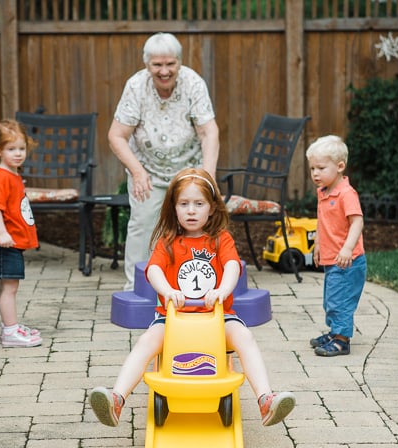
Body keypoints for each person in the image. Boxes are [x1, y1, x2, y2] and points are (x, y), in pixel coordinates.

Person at [89, 169, 296, 427]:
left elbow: (233, 266)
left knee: (245, 337)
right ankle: (116, 399)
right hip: (172, 320)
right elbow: (153, 269)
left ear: (211, 208)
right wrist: (166, 290)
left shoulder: (221, 239)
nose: (191, 210)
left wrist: (222, 289)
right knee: (147, 341)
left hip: (217, 318)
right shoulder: (168, 241)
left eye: (198, 204)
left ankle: (265, 399)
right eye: (184, 204)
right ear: (173, 208)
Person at [108, 32, 220, 291]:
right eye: (157, 65)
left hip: (188, 172)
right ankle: (137, 289)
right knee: (144, 225)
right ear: (147, 65)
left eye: (170, 64)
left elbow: (208, 131)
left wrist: (207, 175)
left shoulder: (193, 83)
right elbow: (116, 135)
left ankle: (194, 287)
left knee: (193, 225)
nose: (164, 71)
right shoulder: (136, 86)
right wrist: (137, 172)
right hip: (146, 171)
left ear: (179, 62)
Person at [306, 135, 367, 356]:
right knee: (331, 299)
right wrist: (318, 244)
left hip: (347, 261)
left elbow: (357, 222)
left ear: (340, 166)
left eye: (321, 168)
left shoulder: (346, 194)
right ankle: (335, 332)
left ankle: (342, 340)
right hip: (332, 258)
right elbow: (322, 220)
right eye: (312, 168)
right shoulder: (323, 192)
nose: (315, 174)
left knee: (340, 301)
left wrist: (347, 249)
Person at [0, 119, 42, 348]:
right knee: (9, 288)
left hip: (13, 242)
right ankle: (10, 332)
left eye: (21, 148)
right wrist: (2, 234)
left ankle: (11, 325)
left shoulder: (13, 174)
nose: (18, 154)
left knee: (11, 286)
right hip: (5, 243)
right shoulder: (1, 177)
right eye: (11, 149)